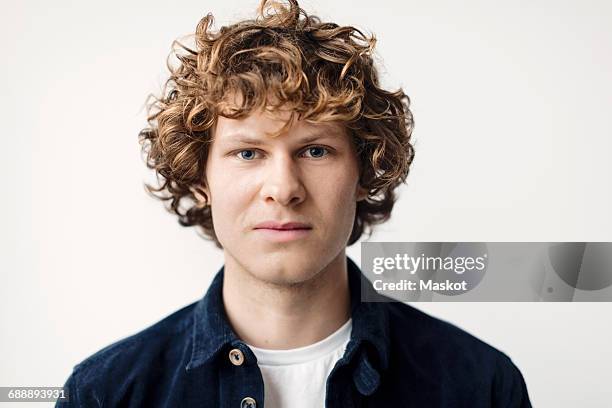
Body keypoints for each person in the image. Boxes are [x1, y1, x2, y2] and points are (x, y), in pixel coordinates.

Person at [57, 1, 531, 406]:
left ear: (363, 173)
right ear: (200, 179)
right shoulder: (106, 393)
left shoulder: (479, 386)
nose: (283, 188)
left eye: (315, 150)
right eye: (248, 153)